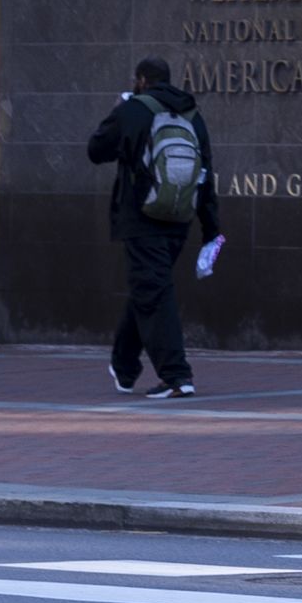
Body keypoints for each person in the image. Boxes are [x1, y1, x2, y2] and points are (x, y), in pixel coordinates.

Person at [83, 56, 223, 400]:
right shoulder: (193, 114)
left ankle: (177, 376)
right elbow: (205, 176)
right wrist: (211, 229)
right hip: (179, 218)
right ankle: (125, 365)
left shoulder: (133, 110)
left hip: (140, 217)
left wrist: (118, 110)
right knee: (150, 287)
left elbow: (96, 150)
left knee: (154, 290)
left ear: (141, 80)